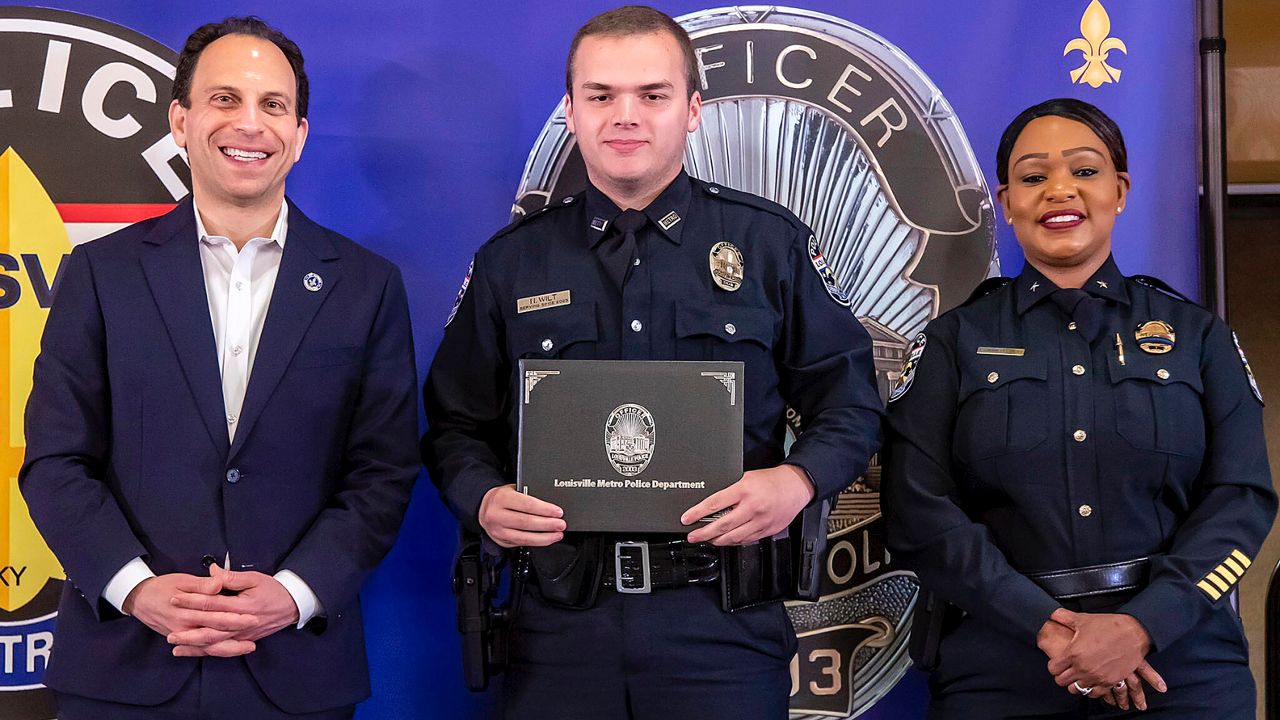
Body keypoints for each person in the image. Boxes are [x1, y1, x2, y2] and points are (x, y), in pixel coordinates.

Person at [422, 5, 882, 718]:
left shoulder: (768, 247)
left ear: (693, 110)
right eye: (601, 96)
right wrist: (483, 497)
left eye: (653, 95)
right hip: (561, 625)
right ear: (571, 112)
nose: (625, 116)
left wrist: (797, 481)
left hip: (721, 625)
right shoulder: (511, 265)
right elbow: (453, 424)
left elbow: (850, 401)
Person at [19, 17, 418, 719]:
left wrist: (294, 592)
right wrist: (137, 587)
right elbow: (55, 461)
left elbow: (382, 473)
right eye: (225, 99)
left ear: (297, 134)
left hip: (295, 672)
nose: (250, 124)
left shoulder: (366, 285)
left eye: (273, 105)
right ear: (181, 119)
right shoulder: (100, 274)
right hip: (122, 669)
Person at [883, 97, 1276, 719]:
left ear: (1119, 190)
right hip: (1005, 667)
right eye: (1033, 177)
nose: (1058, 190)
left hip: (1180, 667)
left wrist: (1142, 627)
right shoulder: (951, 344)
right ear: (1007, 199)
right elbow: (918, 513)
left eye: (1085, 172)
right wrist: (1046, 626)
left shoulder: (1199, 337)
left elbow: (1241, 498)